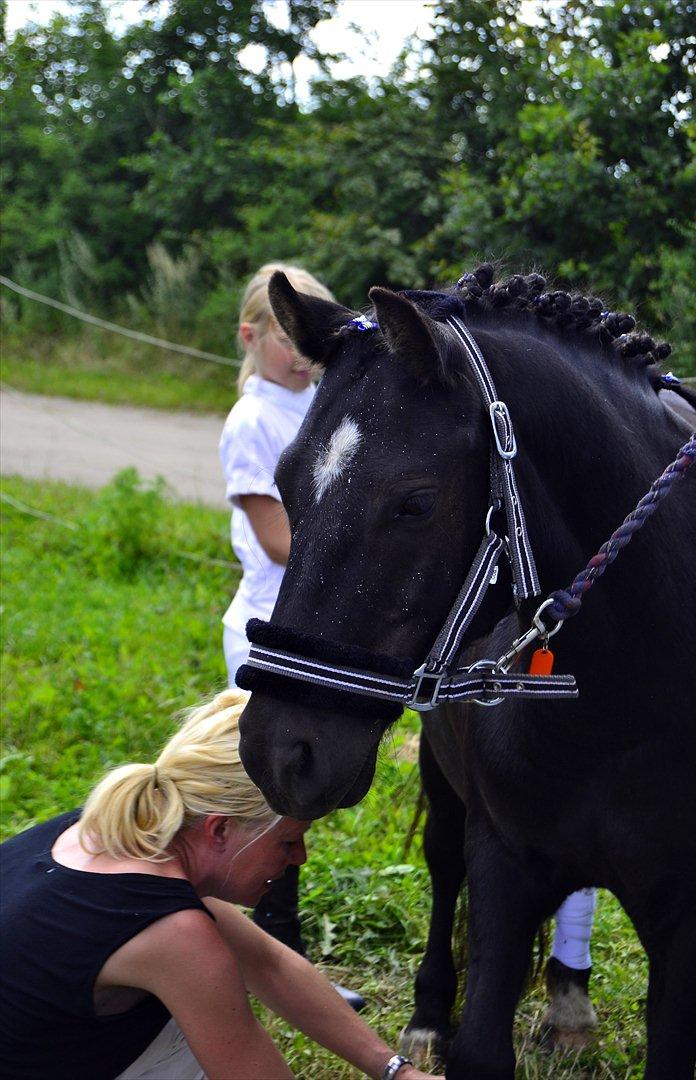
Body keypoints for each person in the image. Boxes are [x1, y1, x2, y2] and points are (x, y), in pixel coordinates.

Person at [0, 689, 441, 1080]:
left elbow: (268, 963)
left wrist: (396, 1072)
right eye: (290, 839)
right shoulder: (172, 935)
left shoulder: (109, 834)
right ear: (219, 830)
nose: (299, 858)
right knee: (198, 1014)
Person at [218, 263, 335, 970]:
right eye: (284, 337)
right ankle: (264, 944)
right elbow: (277, 541)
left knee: (300, 798)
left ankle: (274, 949)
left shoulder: (323, 403)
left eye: (308, 338)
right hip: (270, 627)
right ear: (250, 335)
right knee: (266, 798)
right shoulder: (254, 420)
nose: (300, 352)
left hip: (320, 629)